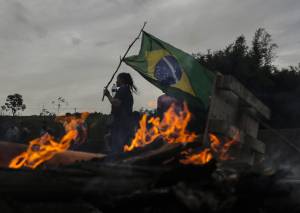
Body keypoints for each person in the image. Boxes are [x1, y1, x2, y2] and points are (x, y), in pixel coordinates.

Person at [103, 72, 137, 153]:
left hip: (121, 122)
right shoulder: (125, 90)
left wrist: (108, 95)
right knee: (110, 139)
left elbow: (116, 103)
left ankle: (117, 160)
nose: (116, 81)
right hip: (123, 121)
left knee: (118, 144)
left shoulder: (123, 89)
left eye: (117, 79)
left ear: (122, 80)